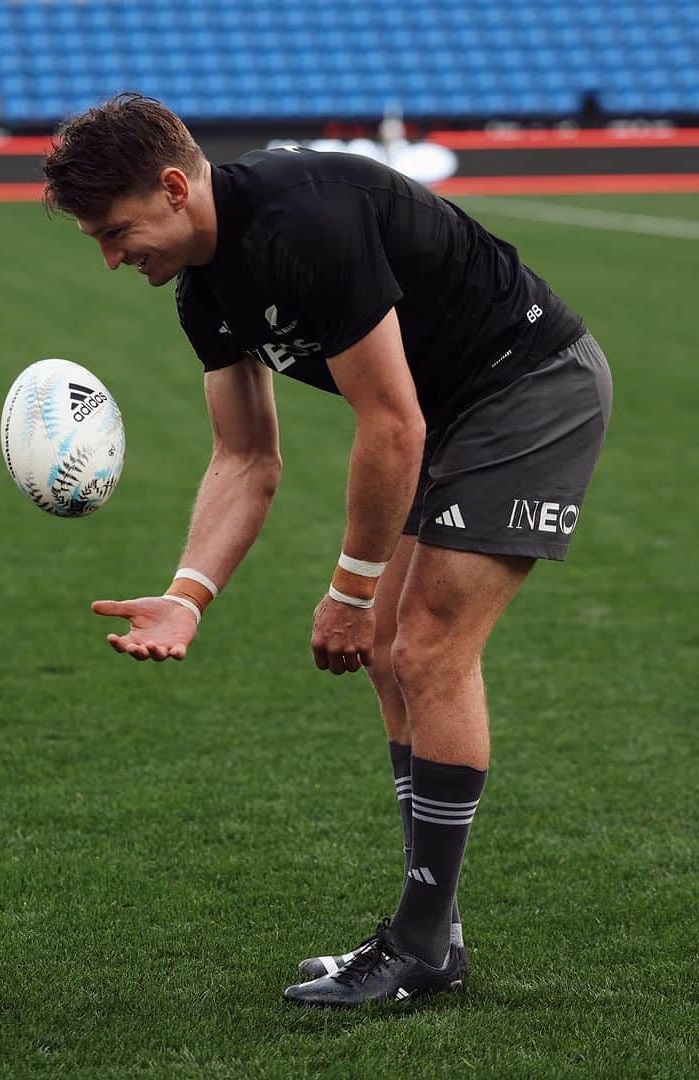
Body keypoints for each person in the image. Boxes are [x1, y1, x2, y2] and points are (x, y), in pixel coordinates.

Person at [43, 94, 611, 1008]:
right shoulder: (202, 290)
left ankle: (422, 948)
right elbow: (245, 457)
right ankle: (432, 935)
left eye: (116, 232)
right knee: (395, 649)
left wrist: (350, 591)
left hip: (528, 387)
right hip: (448, 412)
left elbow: (391, 426)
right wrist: (188, 595)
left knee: (424, 643)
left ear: (175, 188)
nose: (112, 258)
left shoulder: (303, 219)